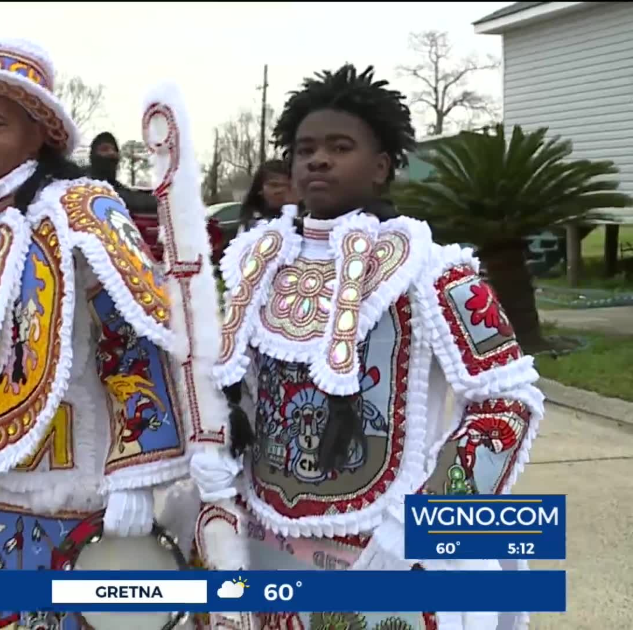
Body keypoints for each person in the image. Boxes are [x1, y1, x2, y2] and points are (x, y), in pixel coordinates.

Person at [190, 65, 542, 629]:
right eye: (305, 149)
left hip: (383, 547)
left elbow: (506, 399)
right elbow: (236, 391)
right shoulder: (259, 265)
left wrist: (426, 524)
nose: (318, 160)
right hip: (261, 538)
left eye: (340, 146)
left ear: (381, 167)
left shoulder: (433, 272)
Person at [0, 39, 209, 629]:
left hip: (59, 492)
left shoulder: (80, 211)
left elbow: (130, 339)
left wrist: (136, 467)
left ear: (41, 134)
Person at [88, 131, 159, 214]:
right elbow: (125, 199)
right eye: (105, 149)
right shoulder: (84, 184)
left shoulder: (116, 186)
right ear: (93, 156)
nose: (111, 153)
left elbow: (129, 194)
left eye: (114, 150)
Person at [237, 158, 292, 235]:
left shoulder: (304, 221)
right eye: (274, 185)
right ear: (259, 189)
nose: (280, 191)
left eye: (287, 186)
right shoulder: (251, 224)